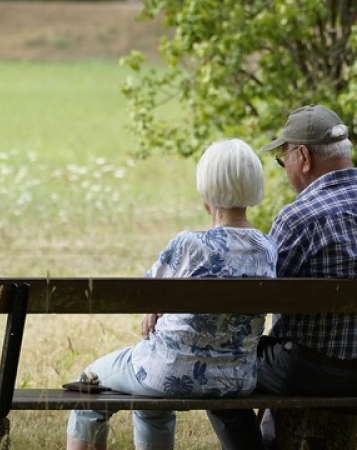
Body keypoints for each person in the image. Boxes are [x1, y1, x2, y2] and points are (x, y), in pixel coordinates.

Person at [207, 105, 357, 449]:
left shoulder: (299, 217)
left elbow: (258, 297)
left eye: (282, 159)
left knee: (217, 368)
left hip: (305, 372)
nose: (284, 169)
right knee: (279, 356)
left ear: (303, 156)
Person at [66, 138, 278, 450]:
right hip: (236, 379)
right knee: (152, 403)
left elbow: (145, 293)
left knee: (90, 383)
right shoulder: (267, 247)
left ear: (205, 188)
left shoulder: (189, 245)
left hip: (167, 371)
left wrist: (155, 307)